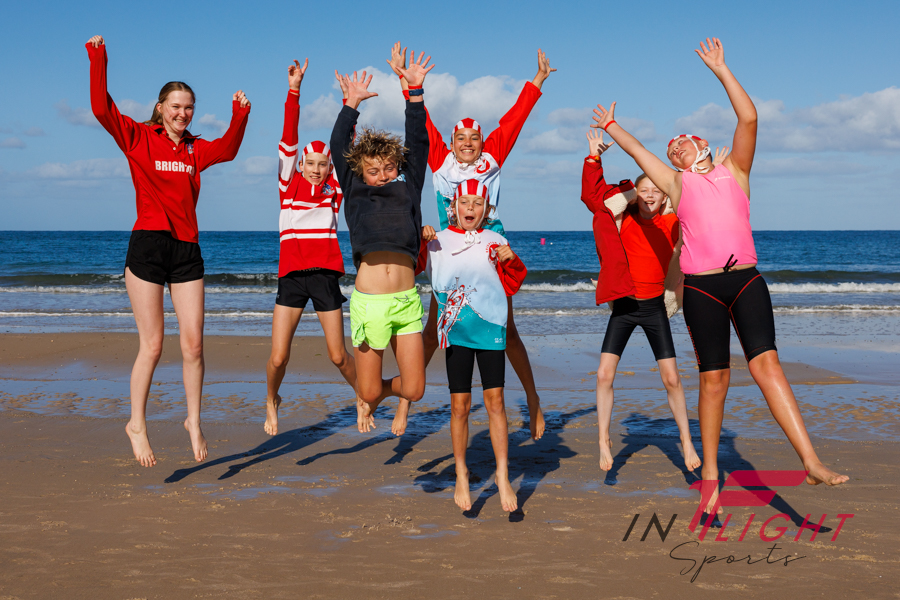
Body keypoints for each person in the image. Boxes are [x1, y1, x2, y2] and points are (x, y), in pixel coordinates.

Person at [591, 37, 848, 508]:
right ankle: (710, 474)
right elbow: (639, 152)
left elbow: (749, 118)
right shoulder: (677, 185)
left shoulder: (737, 171)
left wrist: (721, 70)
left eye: (682, 141)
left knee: (767, 365)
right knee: (715, 380)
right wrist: (612, 125)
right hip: (702, 289)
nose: (675, 148)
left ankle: (810, 460)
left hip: (746, 280)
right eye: (671, 149)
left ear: (704, 144)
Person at [86, 35, 251, 467]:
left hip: (187, 249)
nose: (183, 113)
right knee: (154, 345)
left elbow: (229, 149)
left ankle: (193, 419)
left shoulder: (195, 149)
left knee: (194, 345)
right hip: (148, 246)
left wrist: (240, 116)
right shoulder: (138, 137)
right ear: (160, 108)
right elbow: (102, 109)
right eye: (176, 106)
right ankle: (136, 424)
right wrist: (99, 58)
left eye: (189, 107)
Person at [386, 42, 552, 440]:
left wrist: (538, 79)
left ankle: (532, 399)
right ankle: (406, 401)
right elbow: (420, 119)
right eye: (461, 138)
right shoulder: (439, 159)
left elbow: (515, 119)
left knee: (508, 332)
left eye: (474, 138)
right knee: (432, 331)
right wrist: (405, 80)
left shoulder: (492, 157)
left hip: (489, 252)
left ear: (481, 140)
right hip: (450, 252)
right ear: (452, 141)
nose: (467, 143)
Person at [266, 58, 386, 435]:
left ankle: (363, 397)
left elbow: (346, 149)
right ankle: (271, 398)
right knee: (279, 357)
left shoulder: (334, 191)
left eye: (322, 164)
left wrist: (351, 105)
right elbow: (289, 136)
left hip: (324, 277)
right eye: (311, 164)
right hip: (291, 277)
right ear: (301, 164)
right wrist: (294, 90)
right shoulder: (288, 185)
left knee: (338, 355)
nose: (317, 170)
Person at [581, 129, 701, 474]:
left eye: (656, 191)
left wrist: (700, 169)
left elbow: (696, 205)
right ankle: (603, 440)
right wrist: (594, 158)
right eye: (644, 190)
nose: (650, 195)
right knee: (604, 375)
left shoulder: (672, 223)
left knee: (672, 379)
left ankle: (686, 440)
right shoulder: (623, 217)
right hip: (624, 307)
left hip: (653, 308)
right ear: (636, 193)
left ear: (664, 196)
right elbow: (594, 198)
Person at [329, 52, 434, 425]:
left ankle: (382, 396)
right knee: (369, 392)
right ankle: (369, 398)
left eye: (389, 168)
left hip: (405, 301)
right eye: (374, 170)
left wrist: (414, 93)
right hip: (370, 303)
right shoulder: (354, 187)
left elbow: (417, 141)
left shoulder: (409, 183)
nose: (383, 175)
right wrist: (351, 105)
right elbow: (338, 142)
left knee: (415, 389)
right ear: (360, 170)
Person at [416, 180, 527, 512]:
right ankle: (461, 473)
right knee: (459, 406)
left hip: (491, 328)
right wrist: (421, 241)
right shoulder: (438, 240)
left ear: (486, 209)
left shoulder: (496, 240)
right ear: (454, 207)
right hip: (456, 331)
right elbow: (416, 268)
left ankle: (503, 475)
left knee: (496, 402)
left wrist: (511, 259)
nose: (470, 208)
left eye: (478, 203)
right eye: (465, 202)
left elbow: (513, 283)